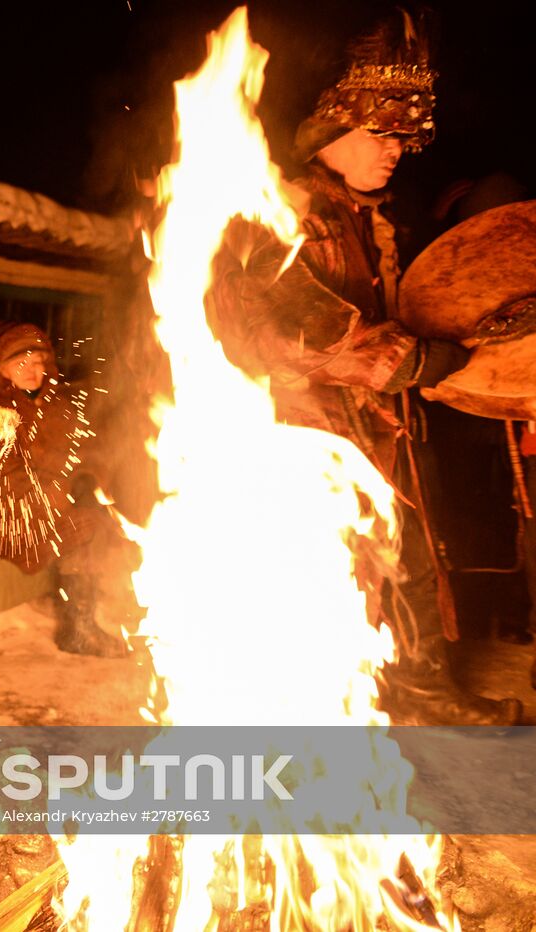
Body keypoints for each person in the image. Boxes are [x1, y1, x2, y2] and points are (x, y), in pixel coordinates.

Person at [209, 12, 521, 725]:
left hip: (383, 429)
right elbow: (268, 327)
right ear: (333, 129)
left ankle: (419, 693)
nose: (397, 152)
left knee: (405, 553)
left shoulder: (372, 219)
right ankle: (303, 722)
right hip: (305, 430)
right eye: (382, 134)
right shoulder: (272, 209)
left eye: (406, 138)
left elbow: (416, 315)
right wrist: (403, 358)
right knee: (316, 571)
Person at [0, 322, 129, 656]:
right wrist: (51, 497)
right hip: (0, 516)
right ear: (0, 368)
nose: (34, 371)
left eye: (38, 362)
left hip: (51, 503)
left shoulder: (57, 405)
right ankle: (79, 630)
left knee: (104, 519)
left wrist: (89, 479)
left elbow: (87, 452)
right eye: (22, 363)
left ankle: (114, 609)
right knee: (83, 529)